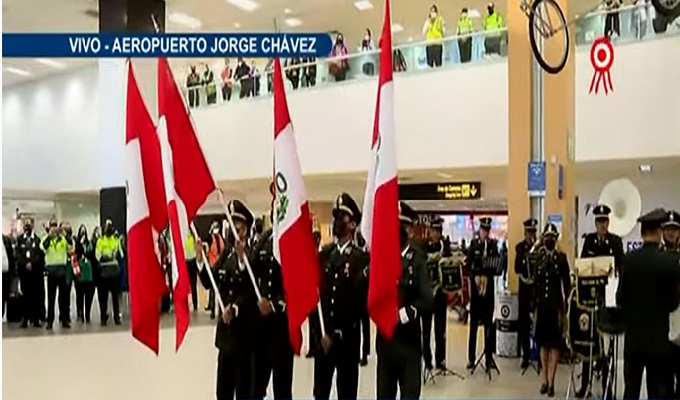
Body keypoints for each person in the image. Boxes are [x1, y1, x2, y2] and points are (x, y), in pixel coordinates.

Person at [616, 208, 680, 399]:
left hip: (634, 341)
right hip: (658, 342)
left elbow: (620, 298)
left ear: (642, 233)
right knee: (657, 390)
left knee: (631, 389)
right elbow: (673, 302)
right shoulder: (669, 262)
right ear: (659, 232)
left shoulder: (629, 260)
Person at [311, 193, 367, 400]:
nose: (337, 222)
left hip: (347, 341)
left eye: (342, 217)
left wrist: (335, 335)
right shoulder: (324, 255)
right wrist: (320, 334)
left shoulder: (361, 259)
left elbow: (358, 303)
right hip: (323, 340)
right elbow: (316, 297)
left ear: (352, 224)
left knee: (347, 392)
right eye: (336, 217)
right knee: (320, 393)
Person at [200, 200, 258, 400]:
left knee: (243, 391)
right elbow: (209, 281)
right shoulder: (226, 255)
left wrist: (234, 308)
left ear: (245, 230)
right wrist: (200, 260)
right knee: (223, 392)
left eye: (237, 226)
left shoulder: (252, 255)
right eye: (231, 225)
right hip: (226, 338)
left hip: (244, 337)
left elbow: (251, 292)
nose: (233, 231)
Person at [375, 201, 433, 400]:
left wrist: (403, 314)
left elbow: (427, 299)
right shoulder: (382, 258)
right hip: (385, 343)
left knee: (409, 394)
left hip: (409, 343)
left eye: (401, 226)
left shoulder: (417, 259)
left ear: (409, 230)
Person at [576, 204, 624, 399]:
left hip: (608, 299)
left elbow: (621, 268)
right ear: (596, 224)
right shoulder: (589, 241)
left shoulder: (615, 242)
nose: (602, 225)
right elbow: (583, 267)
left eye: (605, 221)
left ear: (608, 223)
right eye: (599, 222)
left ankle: (607, 386)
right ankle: (584, 384)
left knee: (607, 348)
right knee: (589, 342)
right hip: (590, 298)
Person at [252, 206, 294, 400]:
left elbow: (296, 285)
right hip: (261, 328)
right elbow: (252, 270)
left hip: (282, 326)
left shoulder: (292, 239)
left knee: (282, 388)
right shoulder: (265, 239)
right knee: (256, 387)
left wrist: (275, 304)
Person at [530, 223, 571, 397]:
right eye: (546, 237)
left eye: (552, 238)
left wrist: (566, 305)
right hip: (541, 306)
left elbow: (567, 283)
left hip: (555, 307)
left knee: (554, 345)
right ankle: (544, 380)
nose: (549, 240)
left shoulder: (561, 258)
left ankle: (552, 382)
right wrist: (533, 304)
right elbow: (534, 282)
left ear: (556, 239)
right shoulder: (538, 258)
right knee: (542, 344)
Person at [466, 217, 500, 370]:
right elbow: (468, 265)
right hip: (476, 290)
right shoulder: (474, 245)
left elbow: (497, 266)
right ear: (479, 230)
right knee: (473, 325)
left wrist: (491, 269)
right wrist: (475, 276)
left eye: (487, 230)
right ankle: (471, 358)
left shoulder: (493, 245)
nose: (485, 233)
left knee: (488, 325)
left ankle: (488, 358)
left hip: (488, 290)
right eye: (483, 230)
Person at [422, 216, 447, 371]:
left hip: (440, 293)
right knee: (426, 330)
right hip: (426, 294)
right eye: (433, 231)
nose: (436, 234)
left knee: (440, 330)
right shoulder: (423, 247)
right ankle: (427, 359)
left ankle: (441, 359)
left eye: (438, 231)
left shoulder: (445, 246)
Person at [515, 218, 538, 369]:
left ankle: (537, 353)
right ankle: (525, 355)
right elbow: (517, 268)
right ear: (525, 233)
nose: (531, 235)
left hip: (535, 289)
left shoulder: (539, 248)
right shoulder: (520, 248)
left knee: (537, 322)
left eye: (533, 232)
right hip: (524, 289)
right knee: (523, 323)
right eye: (529, 232)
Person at [661, 210, 680, 397]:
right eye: (668, 229)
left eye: (674, 229)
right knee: (664, 381)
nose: (671, 233)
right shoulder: (657, 256)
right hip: (662, 325)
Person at [41, 220, 71, 329]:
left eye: (55, 226)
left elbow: (70, 247)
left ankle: (64, 319)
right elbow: (43, 247)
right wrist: (50, 236)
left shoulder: (62, 239)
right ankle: (50, 321)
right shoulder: (45, 238)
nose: (54, 228)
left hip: (62, 270)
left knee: (63, 298)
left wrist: (64, 234)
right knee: (51, 298)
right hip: (51, 272)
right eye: (52, 226)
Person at [16, 218, 44, 328]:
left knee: (35, 296)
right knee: (25, 296)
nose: (27, 226)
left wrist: (32, 263)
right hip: (24, 273)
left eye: (29, 223)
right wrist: (25, 263)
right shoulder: (20, 240)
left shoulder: (37, 240)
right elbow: (18, 254)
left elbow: (39, 254)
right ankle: (25, 319)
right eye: (26, 224)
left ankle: (35, 319)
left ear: (33, 225)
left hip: (35, 273)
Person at [95, 219, 123, 326]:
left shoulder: (116, 240)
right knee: (104, 298)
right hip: (104, 273)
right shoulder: (100, 241)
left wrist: (120, 244)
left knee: (115, 297)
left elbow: (121, 254)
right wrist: (105, 257)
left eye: (110, 226)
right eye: (107, 227)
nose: (109, 229)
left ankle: (117, 318)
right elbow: (98, 255)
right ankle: (103, 318)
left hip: (114, 272)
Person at [74, 225, 95, 323]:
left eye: (84, 231)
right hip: (80, 270)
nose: (83, 233)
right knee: (80, 295)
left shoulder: (89, 243)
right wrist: (80, 245)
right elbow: (76, 254)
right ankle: (80, 313)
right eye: (81, 231)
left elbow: (92, 254)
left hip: (88, 271)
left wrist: (86, 253)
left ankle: (88, 314)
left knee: (89, 294)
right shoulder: (77, 244)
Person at [185, 231, 199, 311]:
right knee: (193, 285)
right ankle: (195, 304)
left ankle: (187, 304)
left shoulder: (184, 238)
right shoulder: (193, 237)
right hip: (193, 261)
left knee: (187, 285)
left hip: (187, 262)